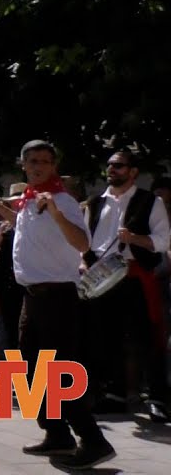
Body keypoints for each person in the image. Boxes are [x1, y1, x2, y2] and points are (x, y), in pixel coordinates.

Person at [0, 140, 115, 468]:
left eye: (45, 161)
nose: (39, 166)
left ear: (54, 165)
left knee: (57, 372)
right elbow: (25, 230)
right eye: (33, 161)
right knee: (30, 371)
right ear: (23, 165)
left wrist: (56, 213)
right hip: (32, 297)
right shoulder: (30, 201)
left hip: (57, 297)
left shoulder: (62, 201)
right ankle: (56, 433)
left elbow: (82, 243)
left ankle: (94, 440)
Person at [82, 149, 170, 422]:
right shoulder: (95, 203)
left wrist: (134, 238)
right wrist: (83, 264)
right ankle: (115, 394)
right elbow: (84, 242)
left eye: (119, 166)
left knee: (146, 338)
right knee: (107, 337)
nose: (112, 170)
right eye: (109, 165)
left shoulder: (150, 201)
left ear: (133, 172)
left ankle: (157, 398)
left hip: (134, 276)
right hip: (102, 277)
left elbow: (163, 241)